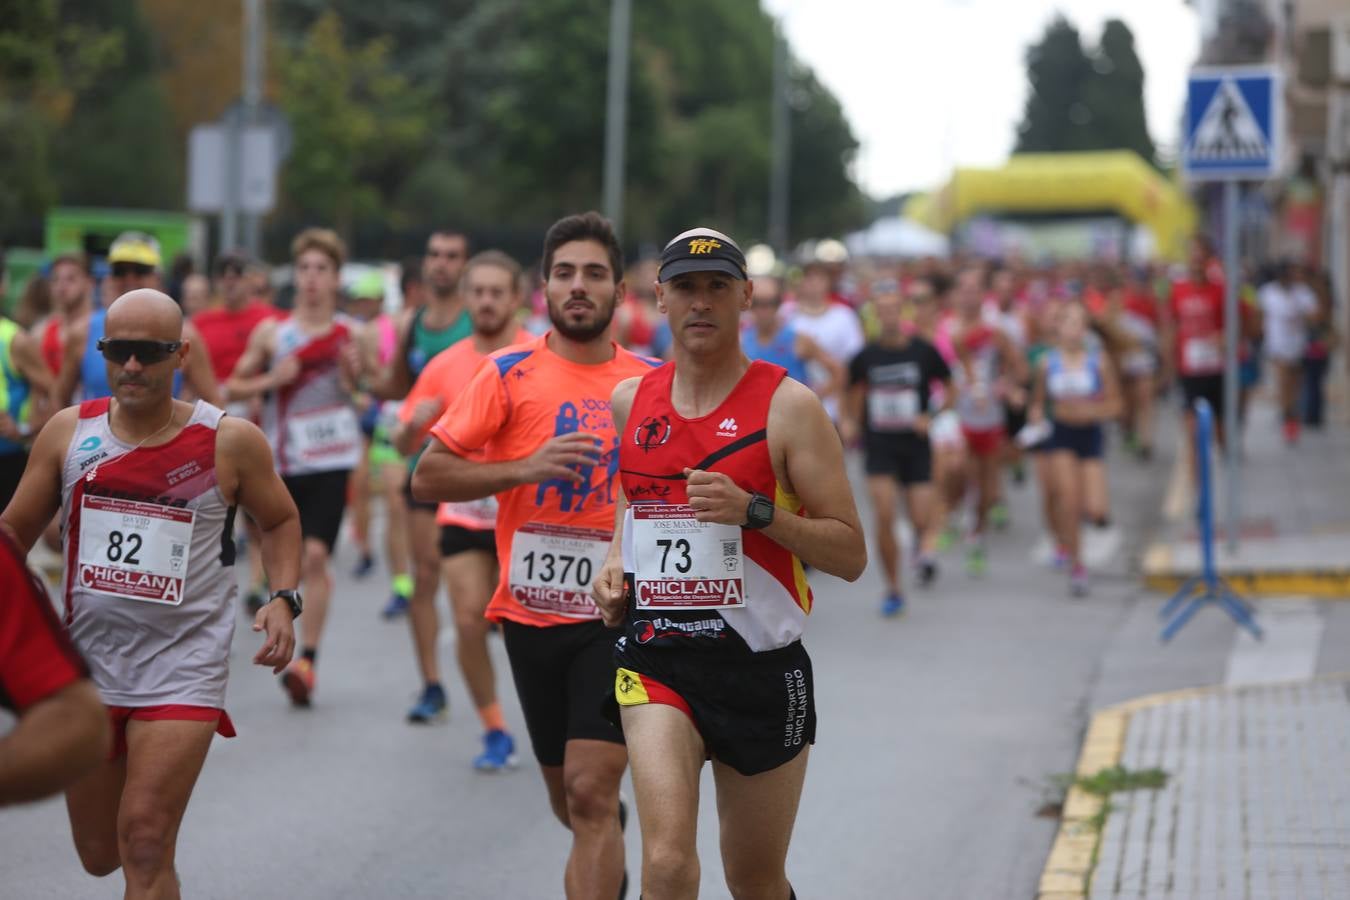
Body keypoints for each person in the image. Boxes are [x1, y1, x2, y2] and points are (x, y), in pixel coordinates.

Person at [592, 227, 866, 900]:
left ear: (746, 296)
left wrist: (759, 514)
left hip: (760, 669)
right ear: (659, 297)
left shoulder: (790, 408)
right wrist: (612, 566)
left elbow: (851, 553)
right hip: (658, 661)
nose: (701, 302)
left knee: (755, 880)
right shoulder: (631, 401)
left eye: (718, 287)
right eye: (686, 286)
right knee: (666, 865)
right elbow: (636, 506)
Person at [0, 288, 301, 898]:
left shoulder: (228, 441)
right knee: (98, 854)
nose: (132, 366)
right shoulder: (68, 434)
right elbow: (12, 530)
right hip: (86, 670)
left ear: (180, 354)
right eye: (118, 350)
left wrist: (283, 596)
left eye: (148, 351)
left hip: (182, 666)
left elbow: (280, 519)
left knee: (143, 839)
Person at [412, 212, 652, 898]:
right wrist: (522, 468)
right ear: (543, 287)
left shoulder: (651, 382)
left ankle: (602, 826)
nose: (580, 286)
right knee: (568, 803)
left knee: (588, 791)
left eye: (595, 274)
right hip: (530, 615)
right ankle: (605, 839)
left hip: (618, 619)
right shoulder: (506, 374)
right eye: (566, 273)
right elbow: (428, 475)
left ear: (617, 291)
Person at [393, 250, 530, 763]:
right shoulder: (443, 366)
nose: (487, 301)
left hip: (534, 519)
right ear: (467, 299)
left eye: (498, 292)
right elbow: (407, 445)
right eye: (479, 292)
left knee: (535, 630)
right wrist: (413, 425)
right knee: (469, 620)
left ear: (516, 298)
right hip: (465, 514)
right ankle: (495, 728)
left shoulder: (541, 355)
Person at [226, 228, 363, 707]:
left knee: (319, 557)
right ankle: (276, 605)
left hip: (332, 461)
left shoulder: (351, 333)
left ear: (335, 278)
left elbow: (370, 396)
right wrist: (270, 378)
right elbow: (232, 387)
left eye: (321, 270)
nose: (311, 278)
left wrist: (352, 379)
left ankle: (308, 660)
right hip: (282, 461)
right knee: (280, 554)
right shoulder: (273, 334)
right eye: (304, 268)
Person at [371, 231, 473, 706]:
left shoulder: (480, 321)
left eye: (451, 256)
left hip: (478, 471)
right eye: (434, 255)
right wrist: (359, 375)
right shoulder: (412, 324)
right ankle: (431, 683)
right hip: (424, 466)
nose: (441, 264)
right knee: (426, 574)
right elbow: (394, 388)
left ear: (465, 265)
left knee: (472, 586)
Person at [844, 287, 951, 615]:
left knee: (920, 517)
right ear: (876, 315)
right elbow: (849, 389)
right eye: (882, 310)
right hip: (880, 445)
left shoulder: (923, 351)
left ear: (903, 313)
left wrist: (930, 415)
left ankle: (922, 542)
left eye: (894, 309)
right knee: (885, 514)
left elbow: (951, 386)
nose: (889, 316)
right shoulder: (866, 356)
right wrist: (848, 421)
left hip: (915, 445)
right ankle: (892, 587)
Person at [192, 252, 281, 613]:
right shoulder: (201, 324)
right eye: (224, 275)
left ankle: (258, 583)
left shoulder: (269, 321)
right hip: (208, 419)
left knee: (255, 506)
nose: (230, 282)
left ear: (251, 281)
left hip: (256, 420)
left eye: (237, 275)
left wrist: (259, 385)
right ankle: (211, 581)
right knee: (213, 507)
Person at [0, 527, 109, 806]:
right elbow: (24, 529)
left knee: (147, 833)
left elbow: (74, 718)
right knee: (101, 847)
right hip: (94, 650)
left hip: (182, 656)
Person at [54, 232, 222, 409]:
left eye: (140, 270)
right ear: (109, 277)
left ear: (157, 277)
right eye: (120, 271)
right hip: (101, 434)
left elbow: (213, 402)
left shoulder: (183, 334)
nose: (130, 278)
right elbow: (60, 398)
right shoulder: (83, 332)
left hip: (161, 435)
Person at [1029, 301, 1121, 597]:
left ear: (1085, 330)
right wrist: (1037, 416)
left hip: (1090, 436)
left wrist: (1091, 411)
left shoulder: (1099, 361)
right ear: (1059, 327)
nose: (1073, 329)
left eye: (1079, 323)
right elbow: (1038, 402)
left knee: (1095, 509)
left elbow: (1117, 404)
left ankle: (1078, 538)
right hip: (1061, 438)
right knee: (1069, 500)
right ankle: (1077, 565)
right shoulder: (1047, 362)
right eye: (1068, 322)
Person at [949, 266, 1026, 576]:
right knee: (955, 469)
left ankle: (976, 534)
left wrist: (1005, 386)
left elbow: (1020, 369)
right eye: (963, 290)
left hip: (988, 414)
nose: (968, 296)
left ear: (983, 295)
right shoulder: (946, 327)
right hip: (955, 413)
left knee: (987, 488)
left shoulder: (996, 331)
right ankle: (950, 517)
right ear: (956, 294)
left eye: (974, 290)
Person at [784, 260, 863, 422]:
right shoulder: (786, 314)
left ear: (828, 283)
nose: (814, 284)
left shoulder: (844, 316)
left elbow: (853, 362)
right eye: (809, 278)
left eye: (819, 278)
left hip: (834, 407)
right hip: (792, 405)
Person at [742, 276, 844, 391]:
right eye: (757, 303)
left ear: (779, 303)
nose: (764, 310)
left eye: (771, 303)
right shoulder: (740, 340)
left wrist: (814, 399)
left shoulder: (799, 340)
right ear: (748, 303)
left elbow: (837, 372)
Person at [1258, 262, 1318, 445]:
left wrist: (1302, 313)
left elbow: (1315, 315)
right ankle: (1287, 418)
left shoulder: (1302, 292)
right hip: (1277, 345)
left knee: (1295, 385)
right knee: (1283, 381)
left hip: (1298, 345)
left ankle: (1292, 414)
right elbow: (1259, 315)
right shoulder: (1268, 293)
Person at [39, 253, 96, 375]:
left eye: (71, 279)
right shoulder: (42, 331)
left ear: (89, 283)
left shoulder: (100, 328)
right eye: (56, 279)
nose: (61, 285)